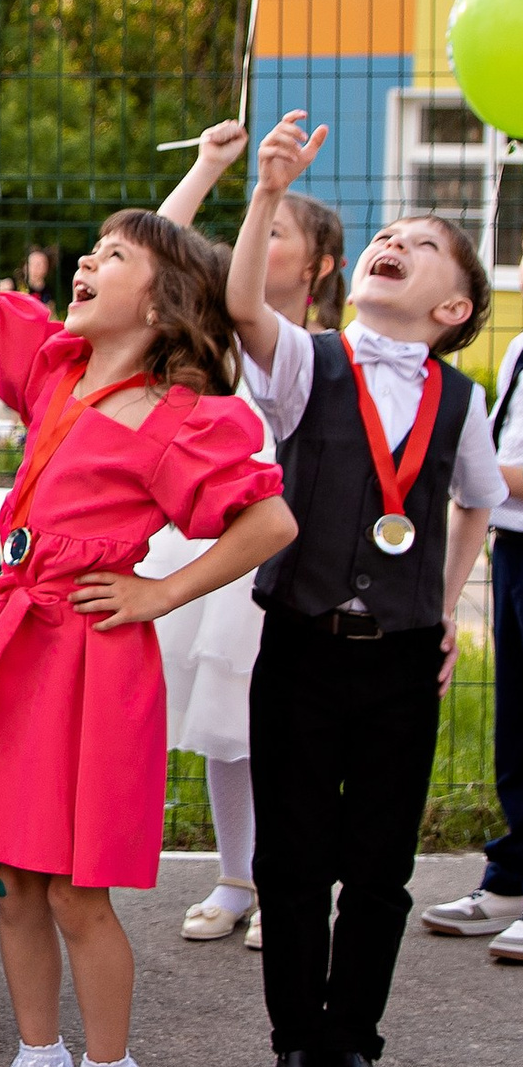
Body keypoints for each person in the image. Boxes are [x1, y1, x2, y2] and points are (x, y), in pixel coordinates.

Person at [0, 121, 294, 1067]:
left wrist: (158, 592)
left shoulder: (182, 414)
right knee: (13, 878)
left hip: (97, 652)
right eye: (90, 254)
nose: (86, 265)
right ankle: (37, 1059)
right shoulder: (55, 374)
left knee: (74, 888)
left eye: (111, 259)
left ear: (160, 300)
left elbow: (267, 523)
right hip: (22, 640)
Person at [231, 113, 500, 1067]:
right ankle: (296, 1038)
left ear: (453, 303)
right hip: (300, 645)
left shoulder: (461, 401)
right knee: (294, 856)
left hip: (398, 660)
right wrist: (266, 194)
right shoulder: (305, 361)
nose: (395, 241)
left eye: (422, 242)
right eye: (390, 234)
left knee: (379, 864)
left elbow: (473, 501)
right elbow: (241, 301)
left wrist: (434, 607)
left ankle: (353, 1039)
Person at [154, 119, 346, 948]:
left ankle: (297, 877)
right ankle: (237, 873)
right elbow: (157, 250)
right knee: (225, 720)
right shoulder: (220, 331)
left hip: (291, 540)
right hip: (216, 540)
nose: (251, 246)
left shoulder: (323, 350)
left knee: (294, 726)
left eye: (275, 237)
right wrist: (205, 169)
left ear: (319, 267)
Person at [428, 309, 523, 960]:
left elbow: (494, 465)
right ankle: (513, 879)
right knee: (515, 729)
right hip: (514, 545)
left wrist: (449, 455)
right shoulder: (520, 348)